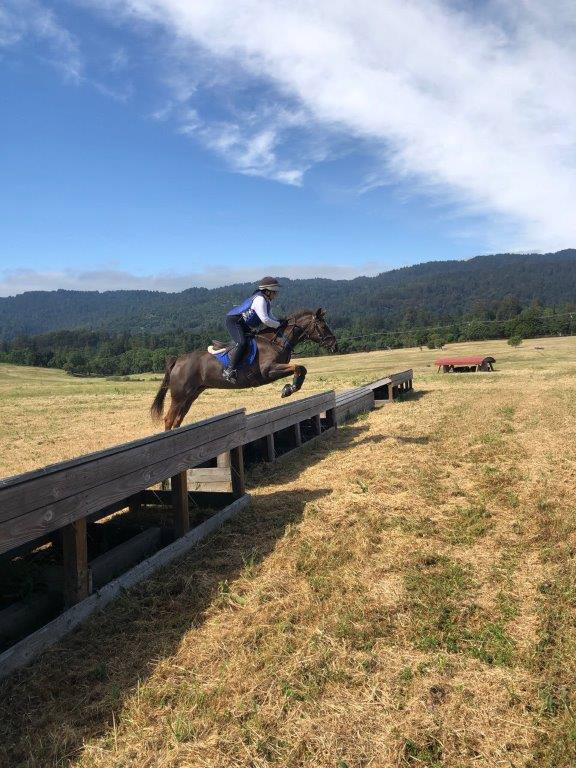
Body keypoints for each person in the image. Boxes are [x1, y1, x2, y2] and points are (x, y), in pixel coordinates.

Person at [222, 277, 282, 382]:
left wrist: (280, 323)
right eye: (275, 292)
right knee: (242, 343)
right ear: (267, 291)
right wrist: (278, 325)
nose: (276, 294)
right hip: (234, 321)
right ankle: (229, 370)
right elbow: (265, 320)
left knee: (253, 340)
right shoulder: (260, 300)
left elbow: (271, 317)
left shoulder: (267, 300)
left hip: (242, 323)